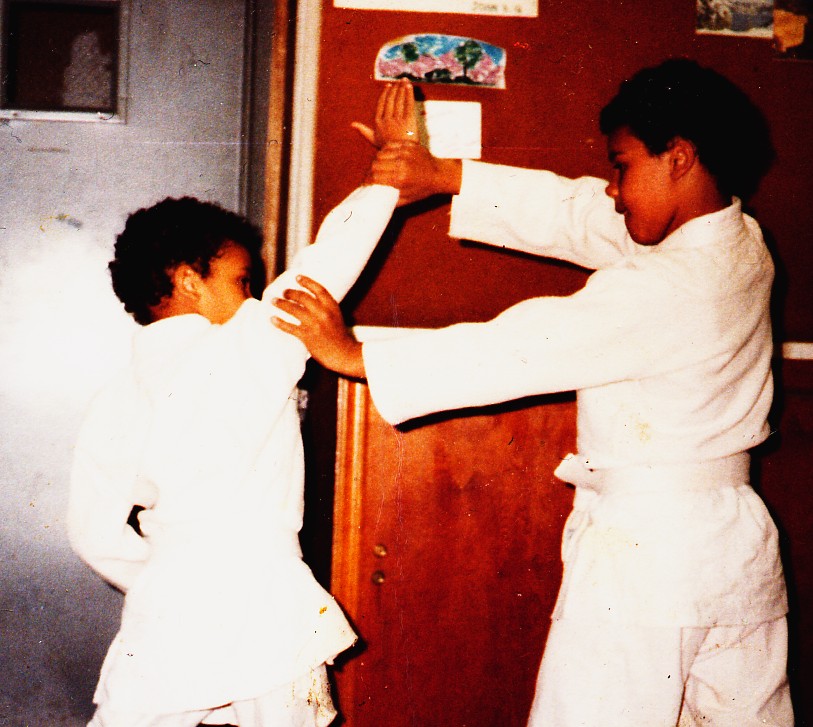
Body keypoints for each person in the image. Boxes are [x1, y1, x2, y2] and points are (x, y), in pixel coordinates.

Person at [271, 61, 793, 726]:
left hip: (649, 553)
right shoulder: (739, 241)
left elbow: (525, 345)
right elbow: (578, 214)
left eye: (621, 166)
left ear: (679, 158)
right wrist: (441, 176)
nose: (609, 189)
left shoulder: (668, 285)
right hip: (732, 545)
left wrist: (355, 355)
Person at [67, 82, 415, 727]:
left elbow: (91, 531)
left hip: (166, 604)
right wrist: (385, 179)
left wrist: (170, 573)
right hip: (262, 598)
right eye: (243, 282)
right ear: (189, 282)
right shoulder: (249, 344)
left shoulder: (116, 395)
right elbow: (326, 264)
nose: (254, 297)